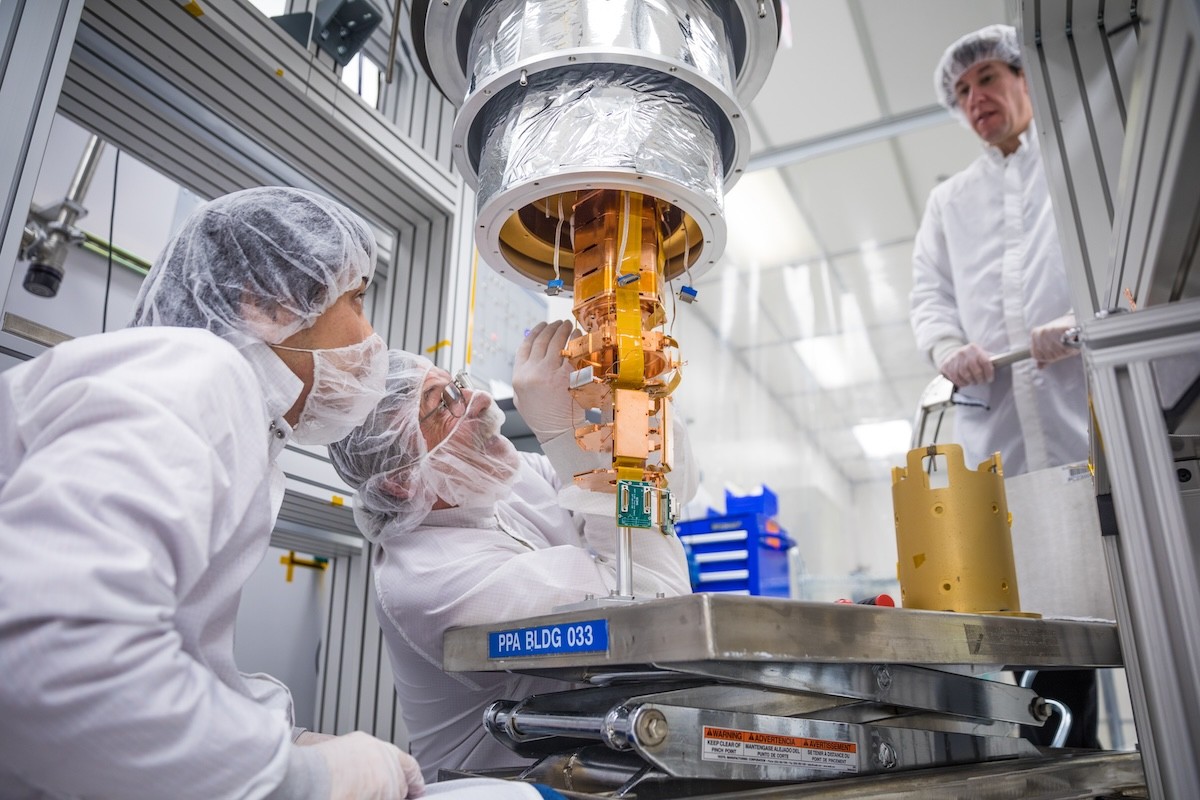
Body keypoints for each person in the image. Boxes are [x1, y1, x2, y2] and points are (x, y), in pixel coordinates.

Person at [0, 186, 525, 799]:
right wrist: (296, 779)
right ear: (268, 305)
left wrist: (278, 733)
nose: (373, 336)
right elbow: (56, 654)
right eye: (357, 299)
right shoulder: (199, 376)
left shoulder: (242, 424)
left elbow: (178, 653)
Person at [328, 320, 694, 780]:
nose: (478, 398)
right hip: (505, 788)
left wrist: (624, 401)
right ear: (401, 480)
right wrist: (568, 439)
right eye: (443, 404)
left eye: (456, 384)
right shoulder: (428, 578)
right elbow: (653, 610)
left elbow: (663, 496)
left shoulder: (498, 479)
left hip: (589, 760)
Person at [910, 26, 1098, 749]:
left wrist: (1079, 323)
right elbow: (929, 295)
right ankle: (1072, 776)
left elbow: (1118, 268)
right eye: (962, 92)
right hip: (1007, 444)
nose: (975, 99)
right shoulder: (950, 202)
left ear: (1025, 79)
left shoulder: (1079, 162)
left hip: (1092, 420)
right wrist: (949, 347)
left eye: (987, 78)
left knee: (1138, 612)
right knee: (1049, 631)